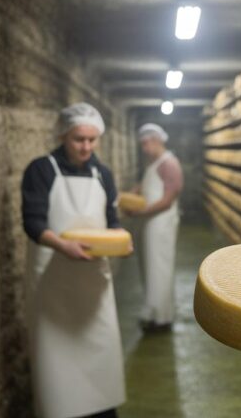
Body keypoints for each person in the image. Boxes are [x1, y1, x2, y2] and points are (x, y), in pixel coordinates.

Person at [21, 102, 129, 418]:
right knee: (56, 362)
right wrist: (63, 245)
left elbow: (112, 220)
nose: (86, 147)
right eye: (78, 139)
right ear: (63, 135)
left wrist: (122, 239)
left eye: (92, 140)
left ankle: (102, 411)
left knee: (100, 354)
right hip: (53, 282)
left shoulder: (102, 174)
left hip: (93, 281)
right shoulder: (41, 170)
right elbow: (33, 222)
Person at [124, 123, 183, 332]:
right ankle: (153, 311)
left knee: (159, 267)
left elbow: (167, 200)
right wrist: (131, 196)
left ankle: (161, 317)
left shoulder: (170, 163)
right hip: (150, 221)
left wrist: (140, 212)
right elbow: (146, 186)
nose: (144, 148)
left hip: (160, 223)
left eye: (146, 143)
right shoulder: (154, 162)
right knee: (149, 266)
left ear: (157, 140)